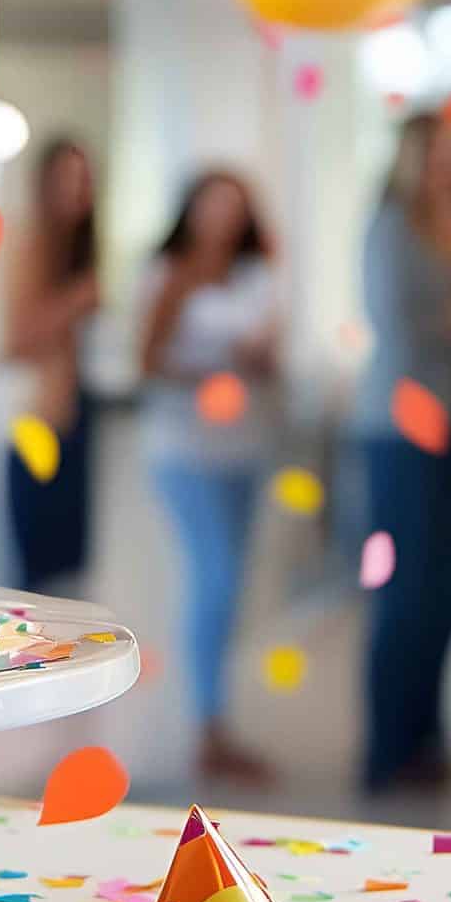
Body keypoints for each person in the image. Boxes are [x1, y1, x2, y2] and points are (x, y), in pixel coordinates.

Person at [138, 170, 280, 783]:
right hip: (181, 448)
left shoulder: (260, 278)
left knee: (232, 586)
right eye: (212, 204)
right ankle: (207, 725)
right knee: (215, 579)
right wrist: (204, 381)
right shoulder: (163, 272)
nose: (222, 217)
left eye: (234, 205)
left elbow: (274, 362)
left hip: (243, 450)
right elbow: (144, 361)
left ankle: (217, 716)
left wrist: (256, 364)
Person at [359, 116, 451, 790]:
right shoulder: (394, 225)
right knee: (403, 593)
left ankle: (425, 734)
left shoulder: (441, 223)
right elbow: (395, 319)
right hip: (400, 426)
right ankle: (386, 748)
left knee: (435, 591)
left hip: (446, 421)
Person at [1, 137, 99, 589]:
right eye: (66, 179)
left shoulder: (75, 250)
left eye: (82, 180)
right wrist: (77, 301)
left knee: (66, 569)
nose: (75, 191)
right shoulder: (30, 243)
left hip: (73, 415)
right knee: (35, 572)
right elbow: (12, 340)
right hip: (35, 421)